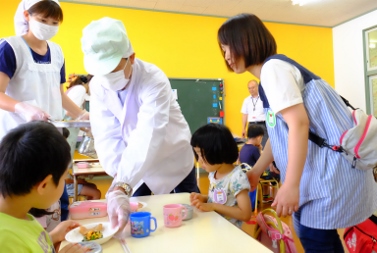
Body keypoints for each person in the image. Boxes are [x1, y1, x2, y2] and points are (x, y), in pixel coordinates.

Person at [217, 13, 377, 252]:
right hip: (323, 174)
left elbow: (299, 125)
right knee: (312, 235)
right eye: (223, 50)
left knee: (315, 238)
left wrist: (290, 185)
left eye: (228, 47)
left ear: (246, 40)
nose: (226, 56)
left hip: (329, 174)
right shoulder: (270, 76)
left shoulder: (273, 70)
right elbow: (279, 133)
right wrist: (257, 171)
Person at [80, 17, 199, 237]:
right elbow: (107, 135)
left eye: (112, 70)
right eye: (101, 72)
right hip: (132, 165)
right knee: (133, 227)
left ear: (131, 58)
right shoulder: (98, 86)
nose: (106, 79)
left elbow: (149, 133)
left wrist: (123, 184)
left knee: (188, 226)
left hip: (172, 162)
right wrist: (119, 180)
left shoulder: (153, 79)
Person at [0, 121, 88, 252]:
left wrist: (52, 236)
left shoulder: (19, 213)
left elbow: (31, 246)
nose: (65, 182)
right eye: (64, 178)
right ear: (44, 185)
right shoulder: (5, 239)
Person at [190, 123, 251, 228]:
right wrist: (204, 199)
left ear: (218, 151)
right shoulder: (213, 173)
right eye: (197, 154)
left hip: (230, 234)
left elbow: (245, 214)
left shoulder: (236, 178)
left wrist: (213, 206)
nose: (199, 160)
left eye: (202, 154)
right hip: (216, 229)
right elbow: (223, 199)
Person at [241, 79, 268, 147]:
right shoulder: (246, 100)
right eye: (249, 88)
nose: (251, 90)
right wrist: (243, 128)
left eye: (253, 87)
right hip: (251, 125)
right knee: (252, 146)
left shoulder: (264, 98)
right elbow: (245, 114)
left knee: (263, 146)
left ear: (257, 87)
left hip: (262, 125)